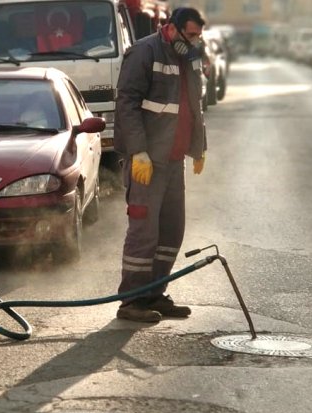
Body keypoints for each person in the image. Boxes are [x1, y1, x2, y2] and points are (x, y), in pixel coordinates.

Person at [113, 7, 207, 322]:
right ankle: (132, 301)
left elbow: (194, 104)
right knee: (144, 232)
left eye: (198, 36)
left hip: (174, 159)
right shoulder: (143, 52)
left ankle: (155, 292)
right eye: (190, 34)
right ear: (172, 28)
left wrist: (198, 147)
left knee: (171, 231)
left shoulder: (190, 57)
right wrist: (138, 152)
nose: (195, 41)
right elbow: (126, 104)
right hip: (147, 162)